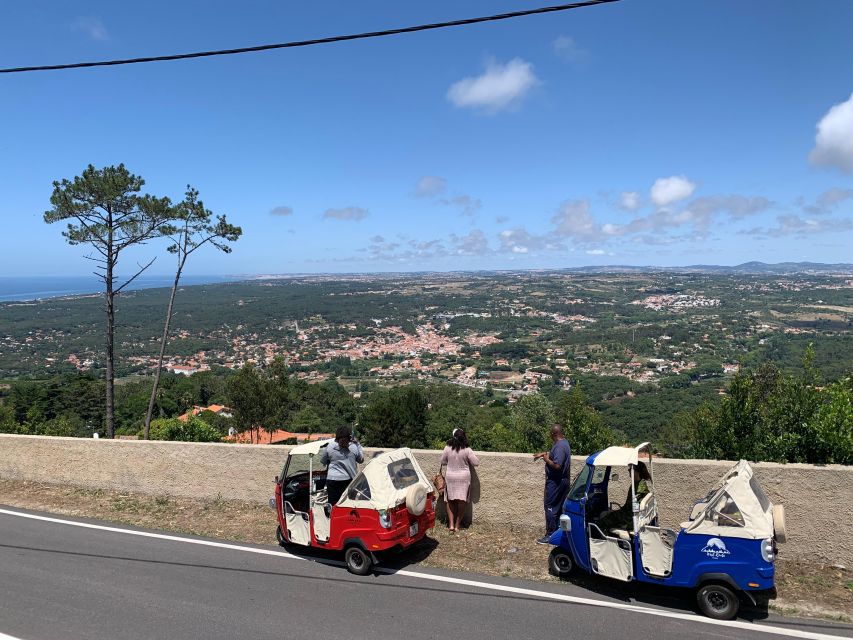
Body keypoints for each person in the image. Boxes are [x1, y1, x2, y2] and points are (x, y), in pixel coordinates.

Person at [534, 424, 571, 544]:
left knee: (549, 507)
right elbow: (555, 454)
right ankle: (559, 534)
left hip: (556, 482)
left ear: (554, 434)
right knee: (559, 507)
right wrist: (545, 453)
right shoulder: (564, 443)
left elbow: (557, 465)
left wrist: (546, 460)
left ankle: (550, 535)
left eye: (551, 434)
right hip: (563, 482)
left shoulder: (560, 446)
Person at [439, 428, 480, 533]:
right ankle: (457, 525)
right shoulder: (467, 449)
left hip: (451, 477)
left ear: (453, 436)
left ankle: (451, 525)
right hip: (463, 478)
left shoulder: (447, 448)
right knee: (462, 501)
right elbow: (476, 462)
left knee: (450, 500)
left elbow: (443, 462)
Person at [598, 461, 651, 534]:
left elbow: (633, 510)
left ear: (637, 472)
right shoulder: (639, 483)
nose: (628, 470)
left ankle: (601, 541)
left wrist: (615, 514)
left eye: (630, 469)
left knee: (600, 522)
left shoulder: (639, 489)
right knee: (607, 514)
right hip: (628, 514)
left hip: (629, 519)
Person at [320, 425, 364, 506]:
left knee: (333, 504)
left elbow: (323, 461)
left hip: (332, 480)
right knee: (347, 504)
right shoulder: (354, 447)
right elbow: (361, 460)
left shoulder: (330, 446)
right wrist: (358, 445)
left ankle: (332, 517)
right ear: (349, 438)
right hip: (349, 481)